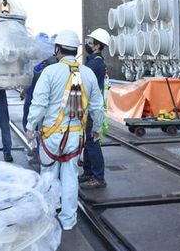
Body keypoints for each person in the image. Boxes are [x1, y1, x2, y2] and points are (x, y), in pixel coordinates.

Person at [26, 30, 104, 231]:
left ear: (57, 49)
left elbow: (39, 103)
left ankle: (48, 217)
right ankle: (68, 220)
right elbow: (97, 105)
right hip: (75, 137)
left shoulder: (50, 72)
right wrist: (96, 128)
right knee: (70, 177)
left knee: (49, 176)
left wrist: (30, 126)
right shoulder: (87, 73)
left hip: (52, 135)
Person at [80, 28, 110, 190]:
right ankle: (88, 171)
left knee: (92, 143)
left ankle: (98, 177)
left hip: (91, 108)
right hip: (89, 107)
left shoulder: (95, 64)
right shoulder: (94, 61)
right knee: (88, 142)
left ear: (97, 46)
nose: (87, 44)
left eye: (90, 42)